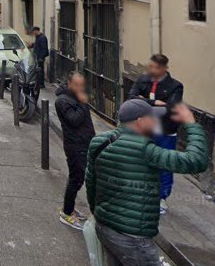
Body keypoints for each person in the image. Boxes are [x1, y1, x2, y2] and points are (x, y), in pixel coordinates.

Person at [86, 99, 208, 266]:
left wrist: (98, 213)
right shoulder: (146, 150)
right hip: (133, 238)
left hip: (105, 227)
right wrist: (191, 125)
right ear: (140, 121)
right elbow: (196, 161)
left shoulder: (99, 142)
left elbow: (91, 182)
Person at [128, 53, 185, 213]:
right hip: (145, 129)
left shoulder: (175, 86)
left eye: (157, 68)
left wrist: (143, 102)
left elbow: (171, 108)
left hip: (166, 130)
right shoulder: (142, 80)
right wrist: (154, 103)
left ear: (165, 68)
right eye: (151, 66)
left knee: (164, 163)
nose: (153, 70)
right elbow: (131, 98)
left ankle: (161, 198)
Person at [55, 72, 95, 230]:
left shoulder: (74, 98)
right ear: (70, 84)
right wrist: (83, 103)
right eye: (77, 85)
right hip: (75, 146)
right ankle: (66, 213)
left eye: (82, 85)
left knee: (78, 179)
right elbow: (74, 120)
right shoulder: (62, 100)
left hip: (84, 143)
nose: (80, 88)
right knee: (76, 179)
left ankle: (69, 208)